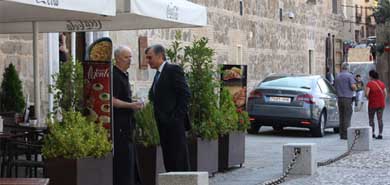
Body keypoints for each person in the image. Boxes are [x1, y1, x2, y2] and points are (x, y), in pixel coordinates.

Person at [146, 44, 191, 172]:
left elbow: (185, 94)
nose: (148, 61)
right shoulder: (158, 74)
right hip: (163, 125)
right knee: (169, 159)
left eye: (150, 57)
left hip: (174, 124)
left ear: (160, 56)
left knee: (178, 160)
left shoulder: (172, 70)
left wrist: (175, 118)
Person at [112, 46, 144, 185]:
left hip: (128, 125)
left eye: (131, 57)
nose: (130, 60)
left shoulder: (124, 74)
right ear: (117, 59)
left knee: (130, 160)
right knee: (123, 161)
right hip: (119, 126)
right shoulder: (114, 75)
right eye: (126, 57)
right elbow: (111, 100)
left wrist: (133, 103)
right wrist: (131, 105)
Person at [334, 62, 357, 140]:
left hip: (339, 98)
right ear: (348, 68)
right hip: (347, 98)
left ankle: (342, 134)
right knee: (347, 116)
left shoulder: (337, 76)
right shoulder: (349, 76)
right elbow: (353, 86)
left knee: (341, 116)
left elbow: (335, 86)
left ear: (342, 67)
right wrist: (356, 88)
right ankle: (346, 134)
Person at [365, 70, 387, 139]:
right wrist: (383, 100)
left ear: (371, 76)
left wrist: (368, 98)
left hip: (372, 104)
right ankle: (380, 134)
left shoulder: (369, 84)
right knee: (380, 119)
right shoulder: (382, 83)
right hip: (381, 104)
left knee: (371, 119)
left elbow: (366, 94)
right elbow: (385, 93)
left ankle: (372, 133)